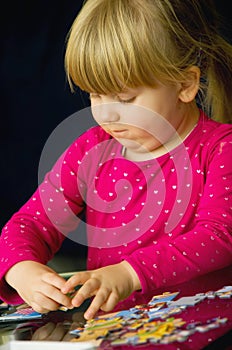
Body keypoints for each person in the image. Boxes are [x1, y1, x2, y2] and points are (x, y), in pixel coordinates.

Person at [0, 0, 232, 321]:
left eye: (125, 99)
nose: (106, 113)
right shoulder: (91, 151)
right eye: (95, 95)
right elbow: (30, 223)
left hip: (206, 330)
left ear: (185, 84)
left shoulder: (221, 149)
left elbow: (219, 236)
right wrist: (21, 269)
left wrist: (128, 274)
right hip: (114, 333)